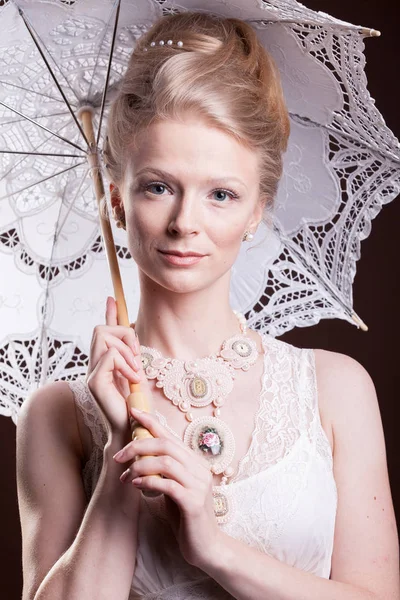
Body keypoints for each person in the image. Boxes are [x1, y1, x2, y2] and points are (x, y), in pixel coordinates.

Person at [16, 11, 399, 600]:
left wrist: (214, 549)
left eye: (221, 194)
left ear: (257, 210)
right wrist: (123, 449)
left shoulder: (338, 389)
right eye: (158, 187)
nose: (184, 223)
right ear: (116, 200)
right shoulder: (55, 414)